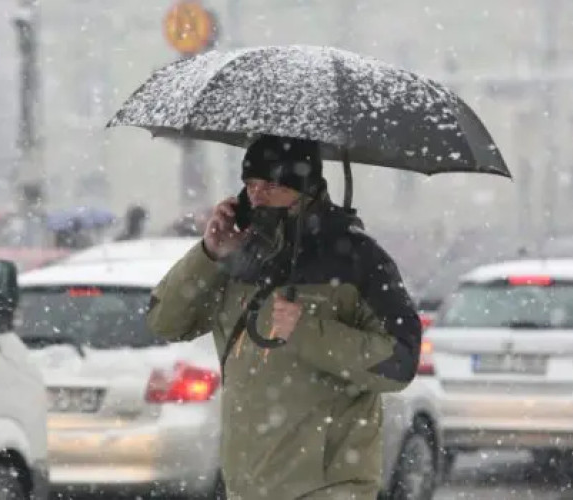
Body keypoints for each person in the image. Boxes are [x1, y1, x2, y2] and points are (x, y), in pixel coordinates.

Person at [146, 135, 422, 500]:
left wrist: (307, 332)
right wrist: (209, 254)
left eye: (271, 185)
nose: (257, 196)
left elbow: (400, 362)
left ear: (304, 188)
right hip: (247, 487)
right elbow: (166, 322)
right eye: (250, 185)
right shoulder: (239, 254)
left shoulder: (358, 259)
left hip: (328, 489)